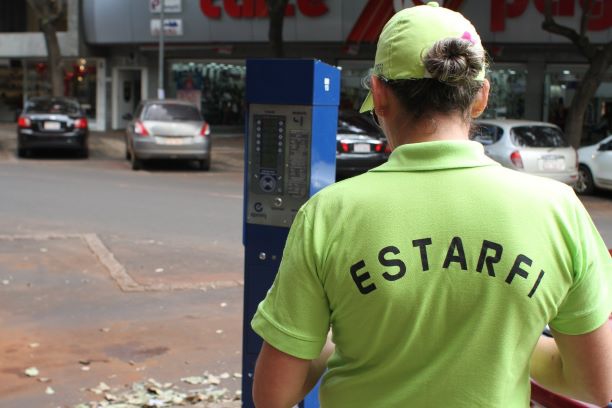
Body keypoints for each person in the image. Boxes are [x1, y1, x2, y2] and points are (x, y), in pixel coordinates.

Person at [250, 3, 612, 407]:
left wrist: (338, 343)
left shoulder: (329, 214)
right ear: (480, 99)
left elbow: (273, 396)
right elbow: (595, 384)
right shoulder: (558, 210)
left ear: (379, 94)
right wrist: (503, 348)